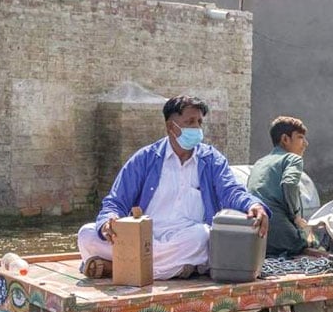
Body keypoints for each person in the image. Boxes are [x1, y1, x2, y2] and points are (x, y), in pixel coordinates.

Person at [77, 95, 270, 280]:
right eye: (190, 122)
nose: (197, 128)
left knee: (203, 236)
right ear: (171, 126)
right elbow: (116, 201)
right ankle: (166, 269)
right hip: (144, 237)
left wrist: (252, 205)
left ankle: (119, 268)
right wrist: (108, 222)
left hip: (185, 238)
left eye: (199, 122)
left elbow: (231, 191)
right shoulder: (145, 158)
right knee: (87, 234)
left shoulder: (212, 160)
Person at [247, 116, 310, 257]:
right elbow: (289, 183)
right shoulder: (293, 159)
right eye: (300, 137)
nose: (306, 143)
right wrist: (296, 217)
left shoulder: (260, 162)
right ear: (285, 139)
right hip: (278, 231)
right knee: (305, 242)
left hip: (253, 233)